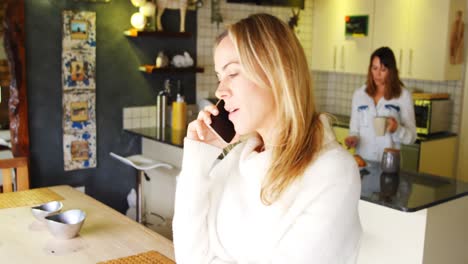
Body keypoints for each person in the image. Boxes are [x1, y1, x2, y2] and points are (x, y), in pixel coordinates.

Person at [172, 13, 362, 264]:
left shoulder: (332, 172)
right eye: (220, 77)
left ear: (277, 71)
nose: (220, 91)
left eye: (233, 74)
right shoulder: (239, 158)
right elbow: (190, 257)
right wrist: (198, 159)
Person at [345, 47, 416, 162]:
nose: (377, 74)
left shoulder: (403, 96)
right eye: (374, 68)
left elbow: (412, 137)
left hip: (389, 165)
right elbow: (354, 130)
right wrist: (353, 138)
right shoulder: (359, 95)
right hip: (363, 163)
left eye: (383, 70)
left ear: (391, 71)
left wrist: (396, 129)